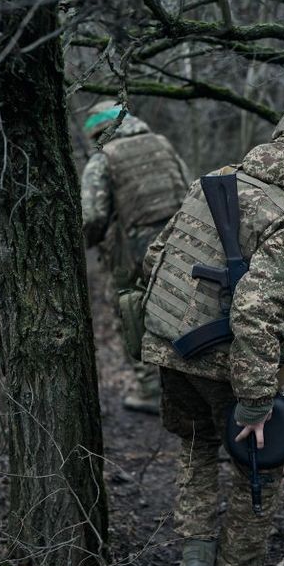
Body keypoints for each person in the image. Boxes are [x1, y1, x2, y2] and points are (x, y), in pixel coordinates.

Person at [141, 96, 284, 566]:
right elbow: (254, 308)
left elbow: (155, 258)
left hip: (171, 348)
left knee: (196, 447)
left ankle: (193, 565)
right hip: (228, 361)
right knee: (257, 464)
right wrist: (257, 401)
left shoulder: (213, 181)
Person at [80, 100, 190, 414]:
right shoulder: (162, 144)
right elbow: (190, 186)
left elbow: (92, 215)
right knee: (185, 312)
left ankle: (151, 391)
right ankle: (190, 389)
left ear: (100, 130)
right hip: (185, 241)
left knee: (131, 314)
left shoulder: (104, 158)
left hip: (136, 250)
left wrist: (88, 243)